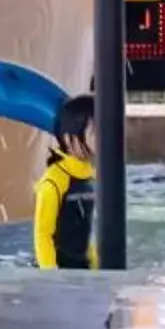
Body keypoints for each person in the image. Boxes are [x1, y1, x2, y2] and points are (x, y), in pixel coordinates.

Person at [34, 94, 97, 271]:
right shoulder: (53, 181)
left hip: (81, 269)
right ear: (70, 140)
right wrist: (52, 278)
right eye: (94, 132)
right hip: (58, 272)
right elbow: (43, 235)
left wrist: (95, 265)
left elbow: (84, 233)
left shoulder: (88, 176)